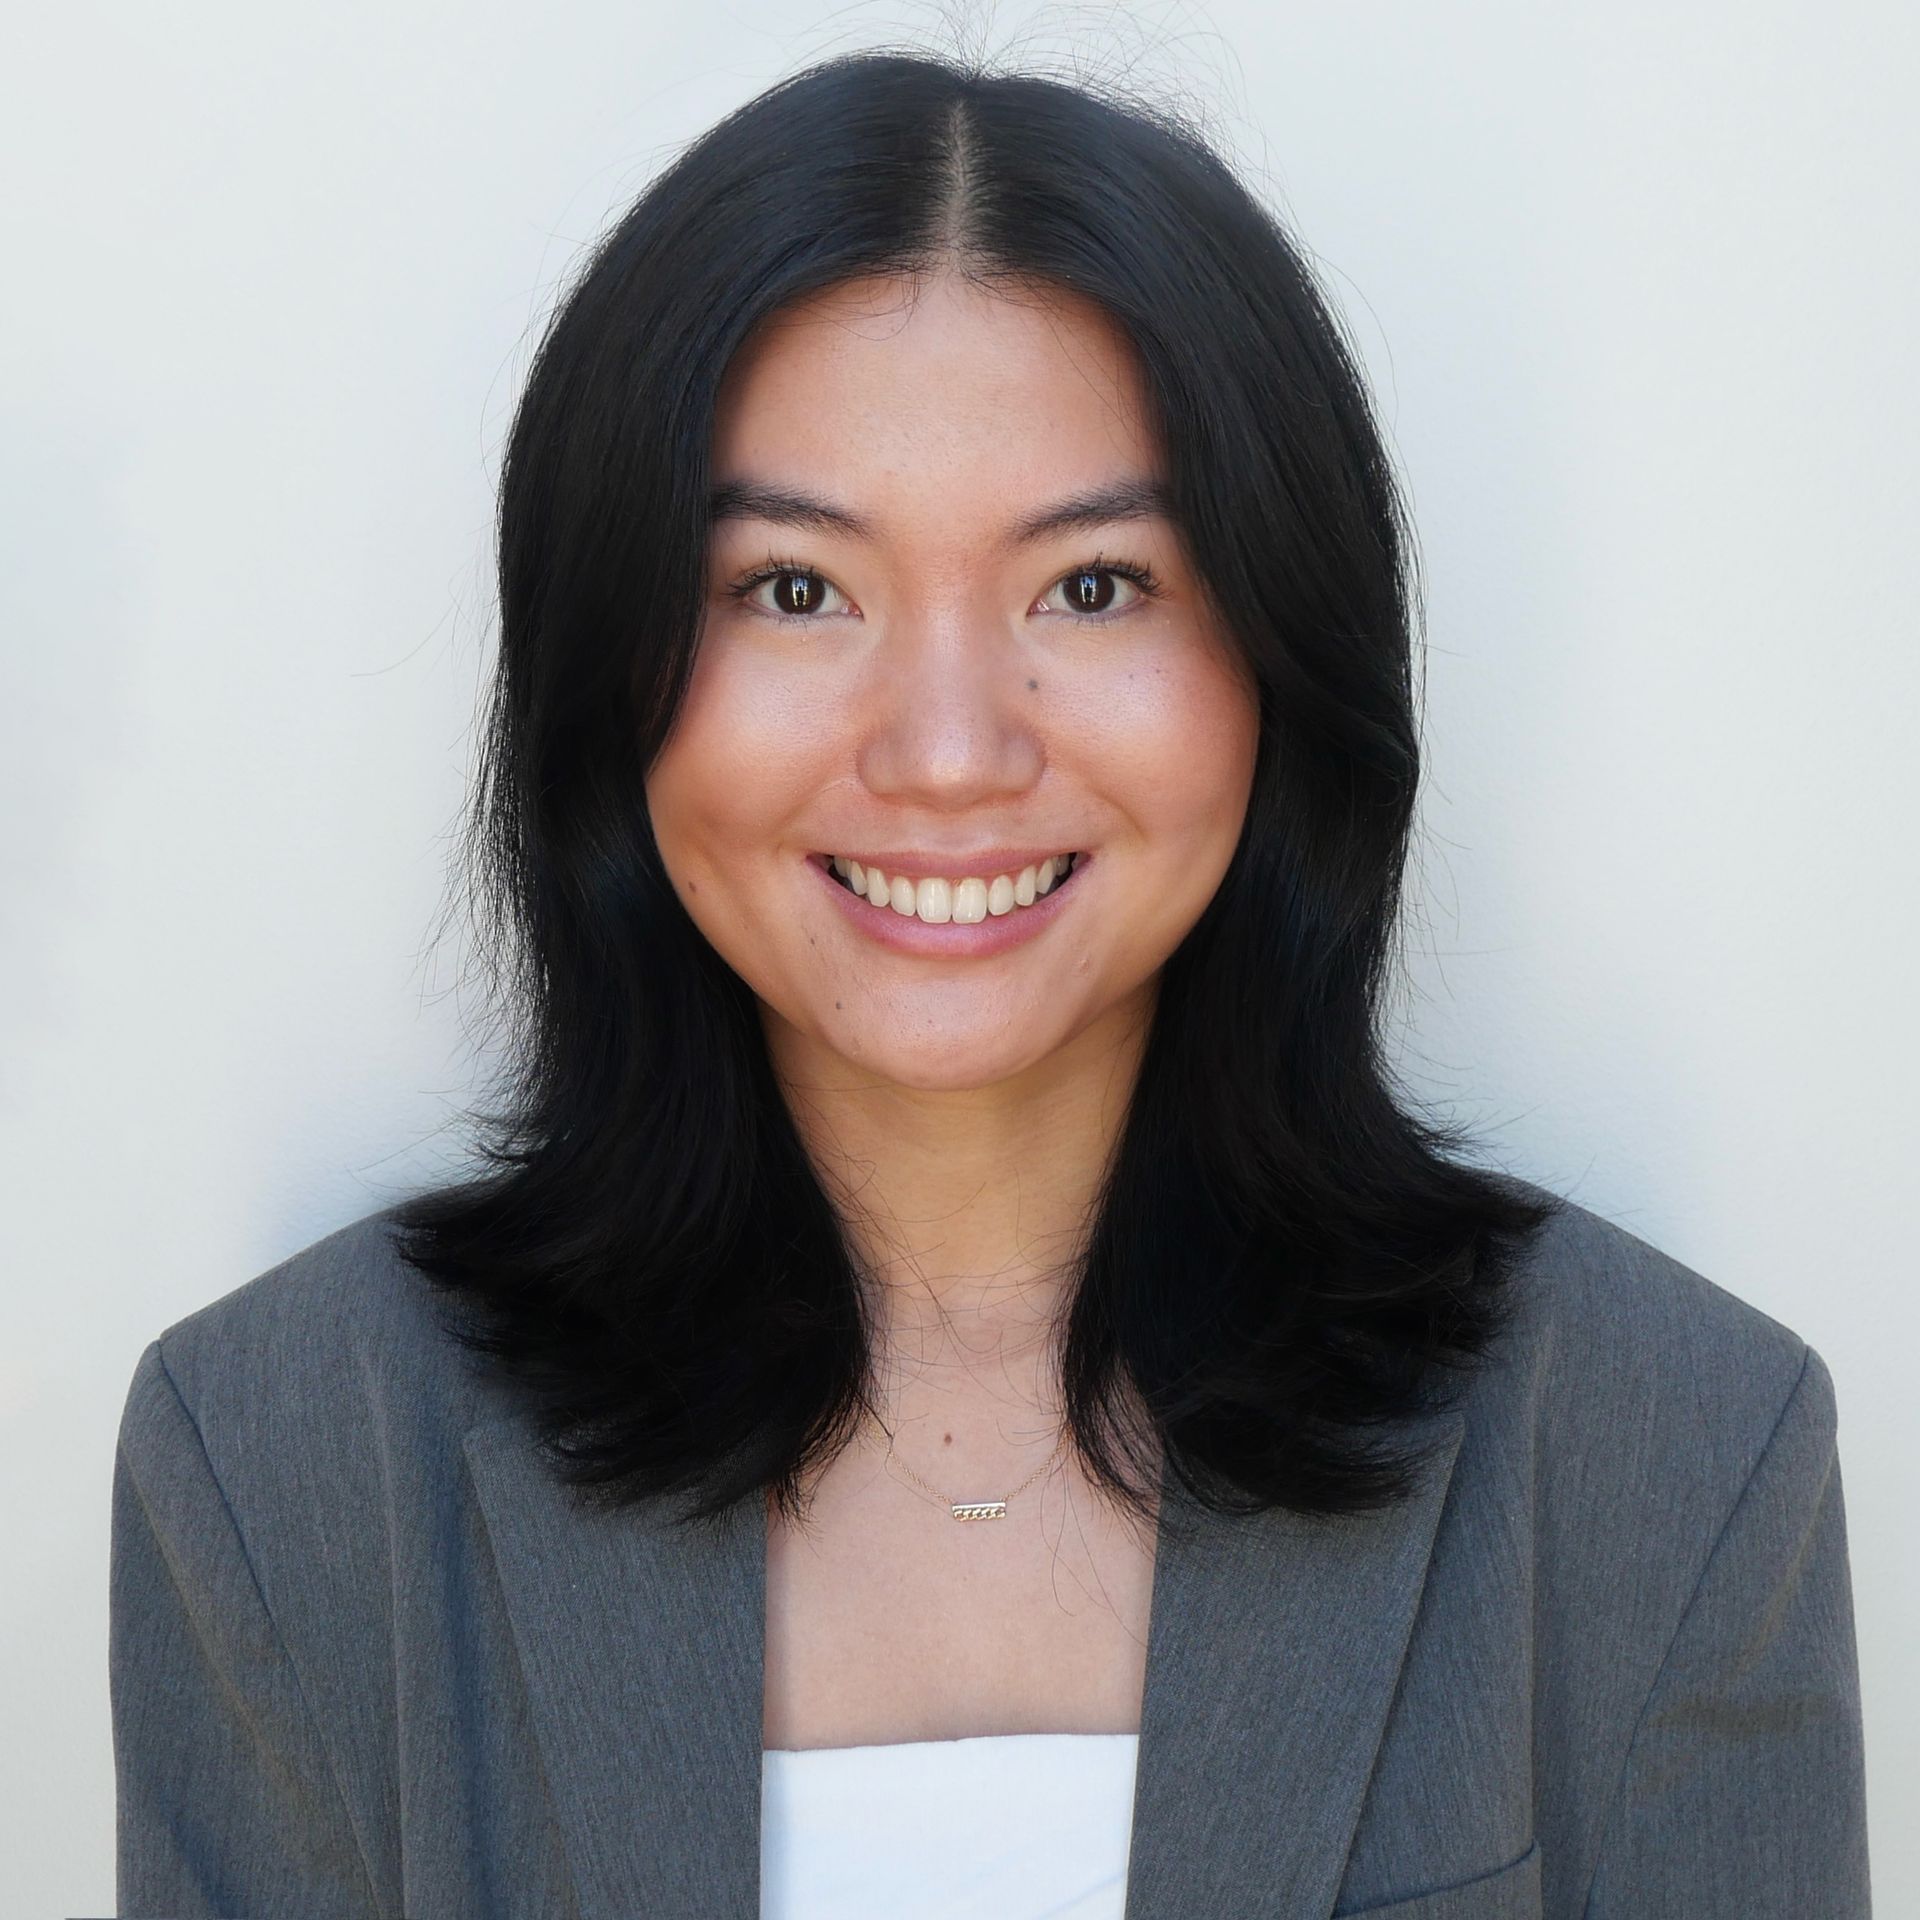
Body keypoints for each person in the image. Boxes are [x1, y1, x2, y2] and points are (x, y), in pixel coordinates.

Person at [108, 47, 1870, 1920]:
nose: (948, 754)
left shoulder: (1669, 1449)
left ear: (1285, 656)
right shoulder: (284, 1459)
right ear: (605, 675)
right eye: (793, 588)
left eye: (1094, 587)